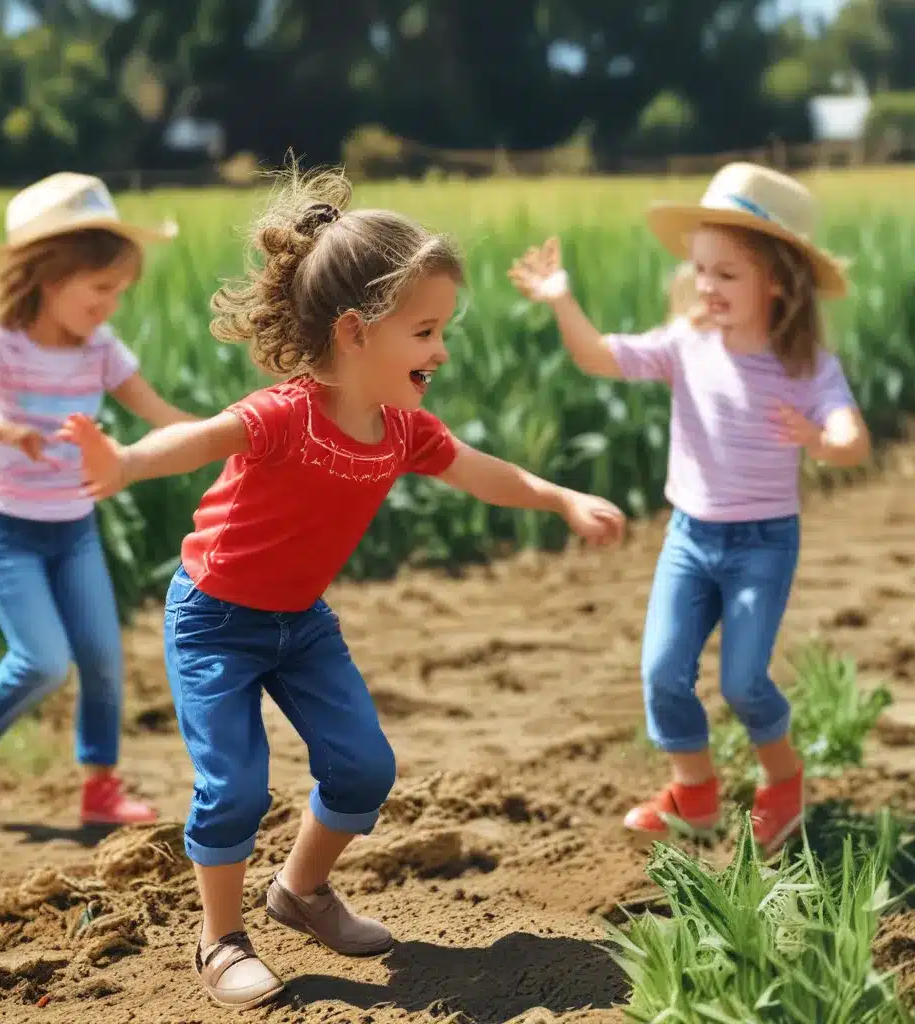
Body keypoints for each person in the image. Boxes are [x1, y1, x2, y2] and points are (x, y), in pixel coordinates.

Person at [59, 165, 626, 1010]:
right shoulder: (286, 414)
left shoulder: (401, 429)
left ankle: (300, 893)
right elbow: (204, 439)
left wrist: (559, 496)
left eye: (444, 331)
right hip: (214, 620)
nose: (441, 350)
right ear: (357, 331)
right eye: (426, 331)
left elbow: (481, 471)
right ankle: (220, 940)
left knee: (363, 769)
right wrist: (127, 461)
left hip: (299, 625)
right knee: (236, 787)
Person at [509, 162, 871, 856]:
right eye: (701, 270)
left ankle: (783, 782)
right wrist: (561, 300)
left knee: (742, 681)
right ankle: (695, 793)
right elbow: (599, 358)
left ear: (778, 281)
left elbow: (852, 441)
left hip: (763, 543)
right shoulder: (685, 344)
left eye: (727, 274)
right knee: (662, 672)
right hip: (690, 538)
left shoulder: (805, 367)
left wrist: (824, 439)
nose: (707, 286)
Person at [0, 172, 196, 832]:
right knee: (43, 661)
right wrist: (3, 430)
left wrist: (245, 433)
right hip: (6, 530)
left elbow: (161, 415)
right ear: (50, 278)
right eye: (100, 290)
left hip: (73, 527)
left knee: (102, 658)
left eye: (119, 292)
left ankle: (99, 787)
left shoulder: (101, 352)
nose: (111, 306)